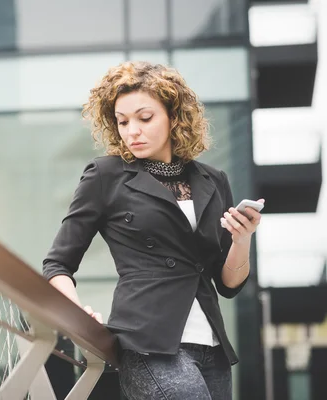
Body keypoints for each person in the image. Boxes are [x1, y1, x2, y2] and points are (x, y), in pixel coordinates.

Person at [42, 61, 263, 400]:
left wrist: (242, 238)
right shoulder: (105, 176)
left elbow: (228, 284)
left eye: (144, 119)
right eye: (123, 121)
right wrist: (76, 315)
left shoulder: (212, 180)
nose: (132, 131)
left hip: (212, 348)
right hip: (146, 343)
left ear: (174, 117)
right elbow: (57, 263)